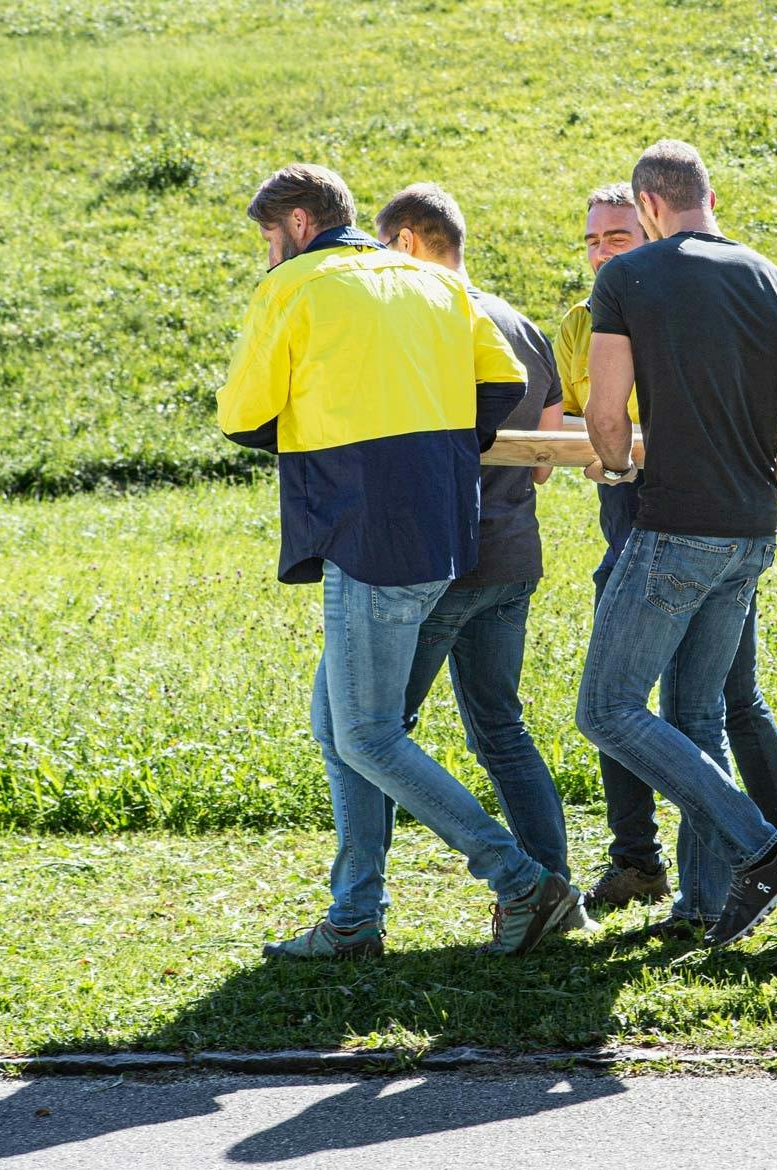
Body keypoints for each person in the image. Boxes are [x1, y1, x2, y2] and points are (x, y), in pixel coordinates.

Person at [218, 163, 581, 960]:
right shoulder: (432, 282)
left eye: (267, 240)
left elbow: (243, 415)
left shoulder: (296, 287)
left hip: (366, 531)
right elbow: (503, 385)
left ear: (301, 227)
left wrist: (333, 430)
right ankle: (355, 915)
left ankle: (522, 881)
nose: (266, 256)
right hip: (448, 531)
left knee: (370, 736)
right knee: (338, 722)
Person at [575, 140, 777, 946]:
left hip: (671, 527)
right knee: (697, 716)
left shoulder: (624, 278)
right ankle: (698, 910)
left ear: (647, 205)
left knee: (608, 709)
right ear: (709, 196)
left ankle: (764, 849)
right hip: (750, 532)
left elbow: (605, 413)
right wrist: (776, 466)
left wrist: (620, 468)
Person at [372, 182, 579, 909]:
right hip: (515, 553)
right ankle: (559, 888)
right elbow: (549, 455)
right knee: (501, 728)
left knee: (376, 732)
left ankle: (363, 902)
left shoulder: (426, 320)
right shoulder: (521, 325)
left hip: (443, 562)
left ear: (405, 241)